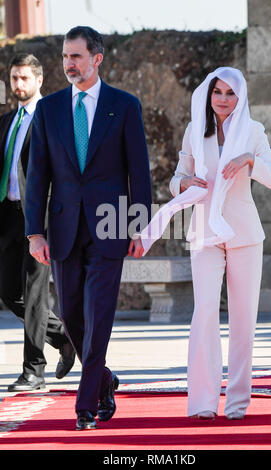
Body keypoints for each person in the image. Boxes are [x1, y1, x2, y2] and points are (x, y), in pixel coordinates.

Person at [137, 67, 271, 420]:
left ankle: (237, 404)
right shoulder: (194, 131)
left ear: (241, 97)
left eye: (230, 93)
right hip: (203, 231)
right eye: (217, 92)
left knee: (242, 321)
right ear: (208, 94)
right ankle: (203, 402)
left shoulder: (253, 132)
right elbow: (176, 180)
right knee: (204, 313)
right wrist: (185, 183)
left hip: (244, 236)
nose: (222, 99)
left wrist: (250, 160)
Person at [25, 26, 152, 430]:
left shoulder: (124, 105)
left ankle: (85, 404)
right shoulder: (48, 110)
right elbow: (37, 176)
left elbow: (139, 172)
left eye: (76, 57)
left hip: (111, 226)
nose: (68, 64)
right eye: (65, 56)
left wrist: (139, 226)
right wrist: (34, 232)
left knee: (99, 314)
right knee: (73, 316)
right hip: (62, 229)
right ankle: (105, 380)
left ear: (97, 59)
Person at [0, 53, 75, 392]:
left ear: (39, 80)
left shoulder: (53, 118)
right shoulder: (6, 122)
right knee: (8, 291)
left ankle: (34, 371)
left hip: (39, 219)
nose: (17, 85)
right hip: (7, 218)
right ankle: (65, 337)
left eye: (24, 78)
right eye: (14, 78)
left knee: (34, 294)